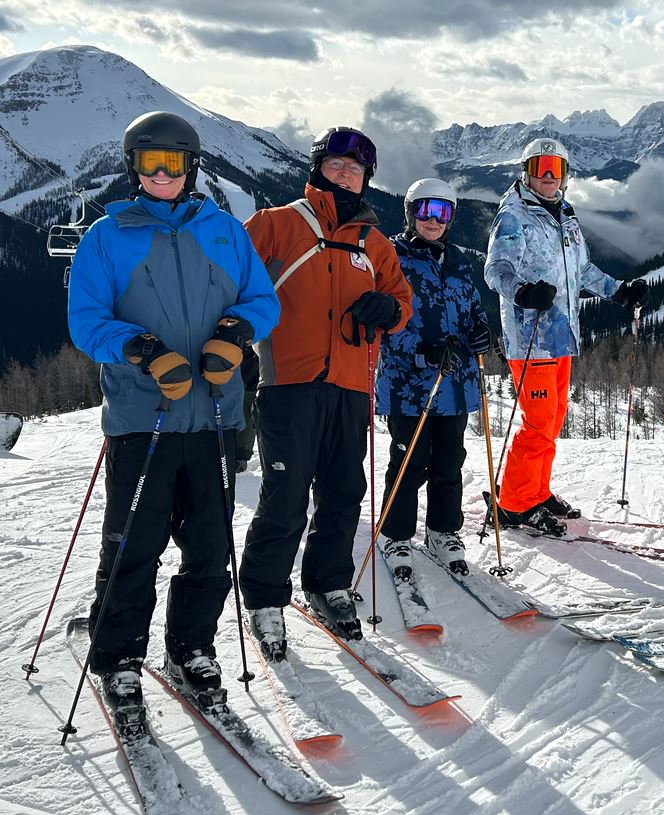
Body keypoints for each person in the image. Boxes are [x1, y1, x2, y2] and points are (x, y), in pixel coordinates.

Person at [66, 111, 279, 701]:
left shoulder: (225, 230)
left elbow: (263, 300)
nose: (164, 175)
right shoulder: (107, 236)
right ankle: (119, 656)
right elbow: (86, 324)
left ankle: (192, 646)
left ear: (192, 166)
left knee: (211, 546)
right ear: (134, 167)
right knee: (135, 542)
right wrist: (141, 348)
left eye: (175, 163)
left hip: (214, 414)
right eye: (152, 163)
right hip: (144, 417)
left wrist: (236, 332)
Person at [239, 127, 412, 659]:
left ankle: (327, 582)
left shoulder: (373, 243)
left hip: (352, 384)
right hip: (288, 381)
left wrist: (390, 311)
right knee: (285, 496)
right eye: (336, 165)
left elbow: (401, 301)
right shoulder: (277, 223)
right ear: (317, 168)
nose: (345, 175)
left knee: (342, 492)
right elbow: (228, 275)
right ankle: (266, 597)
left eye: (355, 170)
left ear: (366, 180)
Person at [484, 138, 648, 535]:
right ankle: (514, 504)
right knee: (538, 421)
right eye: (540, 167)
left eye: (555, 168)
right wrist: (522, 291)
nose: (547, 176)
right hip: (531, 334)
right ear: (526, 171)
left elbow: (583, 270)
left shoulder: (564, 215)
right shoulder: (514, 215)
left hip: (562, 335)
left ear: (565, 175)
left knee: (552, 420)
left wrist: (619, 292)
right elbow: (496, 269)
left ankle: (535, 491)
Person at [376, 179, 492, 578]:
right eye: (425, 210)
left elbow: (474, 307)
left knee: (449, 461)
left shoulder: (458, 261)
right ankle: (395, 534)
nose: (433, 220)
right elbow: (388, 315)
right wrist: (419, 348)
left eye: (442, 212)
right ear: (411, 212)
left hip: (455, 383)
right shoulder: (393, 256)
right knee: (409, 461)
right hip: (409, 384)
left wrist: (480, 331)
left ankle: (443, 532)